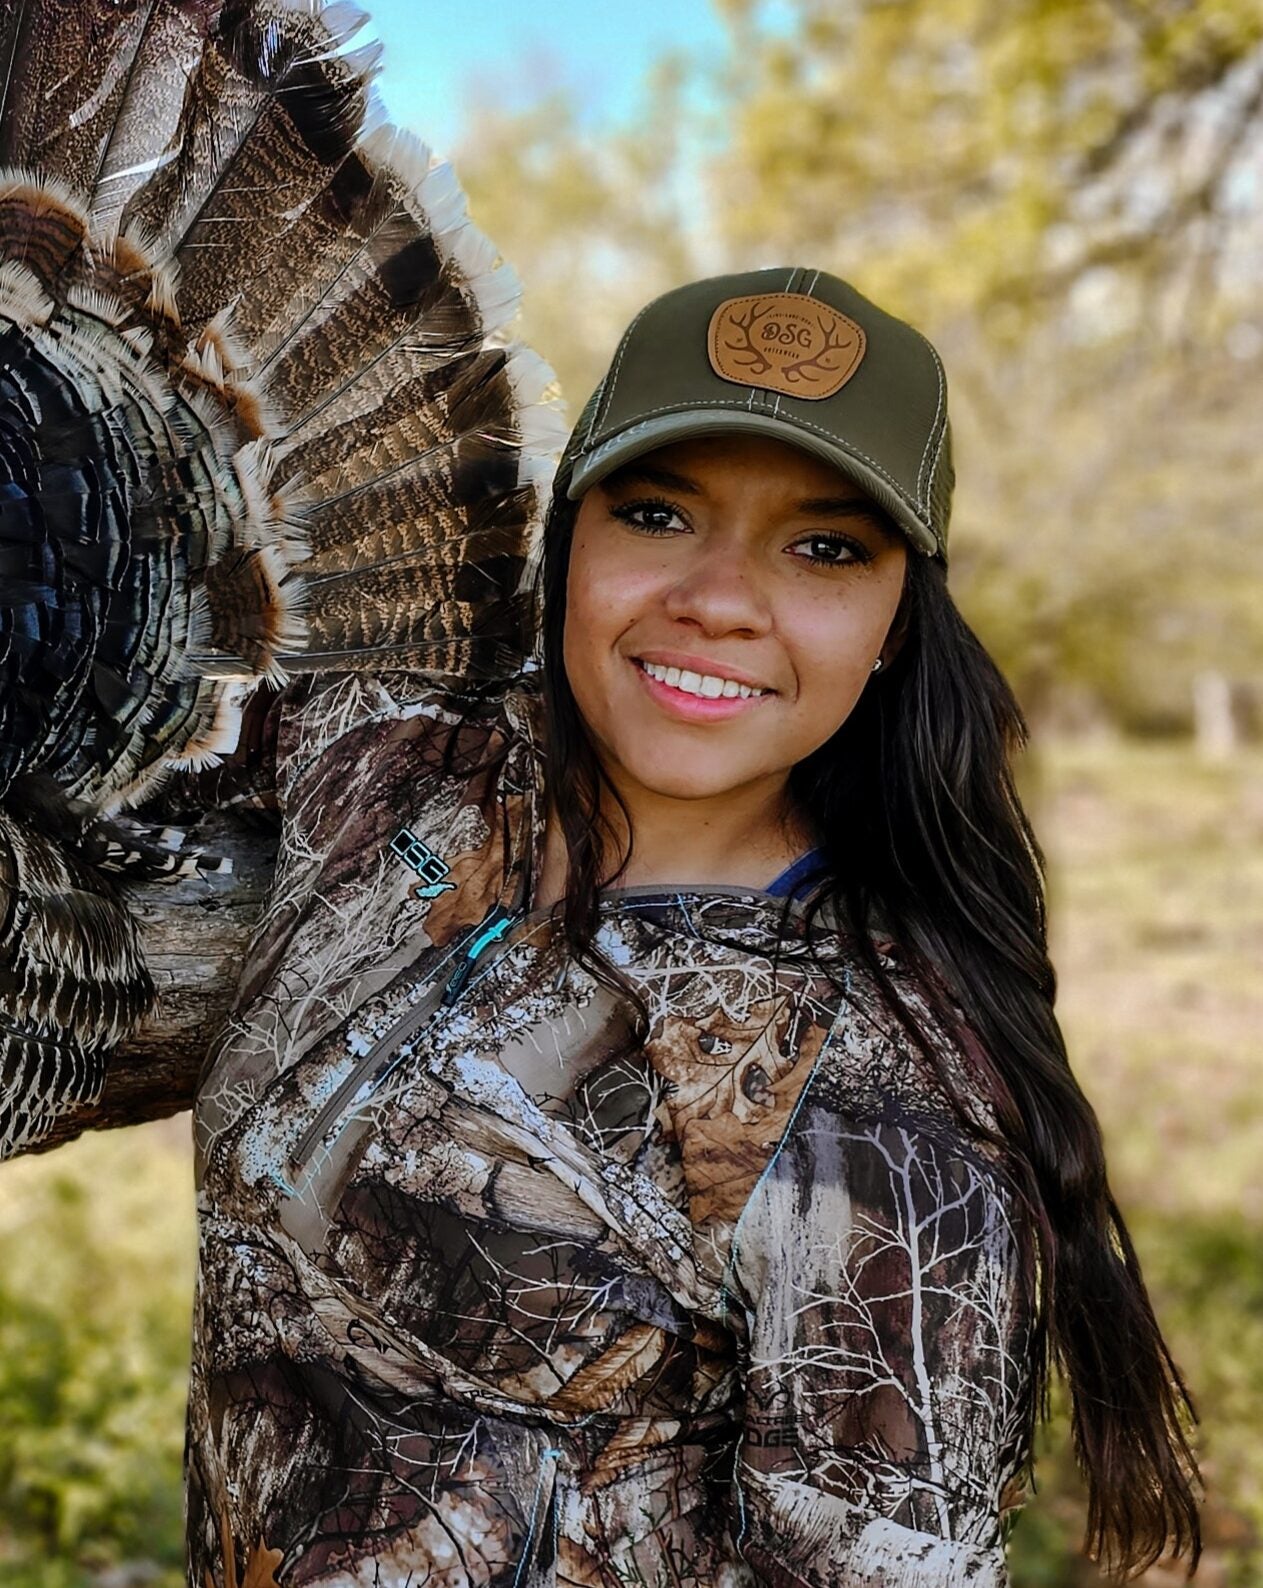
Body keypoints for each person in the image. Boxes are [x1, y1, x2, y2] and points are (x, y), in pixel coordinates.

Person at [179, 267, 1201, 1587]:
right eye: (658, 513)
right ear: (573, 541)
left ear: (897, 626)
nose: (720, 596)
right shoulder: (392, 772)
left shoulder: (890, 1136)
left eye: (825, 547)